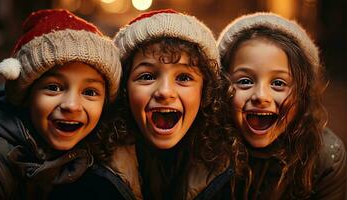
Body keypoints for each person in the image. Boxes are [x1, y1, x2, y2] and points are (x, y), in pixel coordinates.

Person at [83, 9, 237, 200]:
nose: (165, 92)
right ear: (124, 90)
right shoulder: (88, 171)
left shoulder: (234, 173)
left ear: (205, 91)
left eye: (183, 77)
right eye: (147, 76)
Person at [0, 9, 121, 199]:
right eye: (54, 87)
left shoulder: (104, 147)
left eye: (90, 92)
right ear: (27, 96)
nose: (72, 105)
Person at [217, 12, 347, 199]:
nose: (261, 96)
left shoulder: (325, 157)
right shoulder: (204, 144)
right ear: (221, 86)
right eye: (245, 81)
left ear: (302, 94)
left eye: (278, 83)